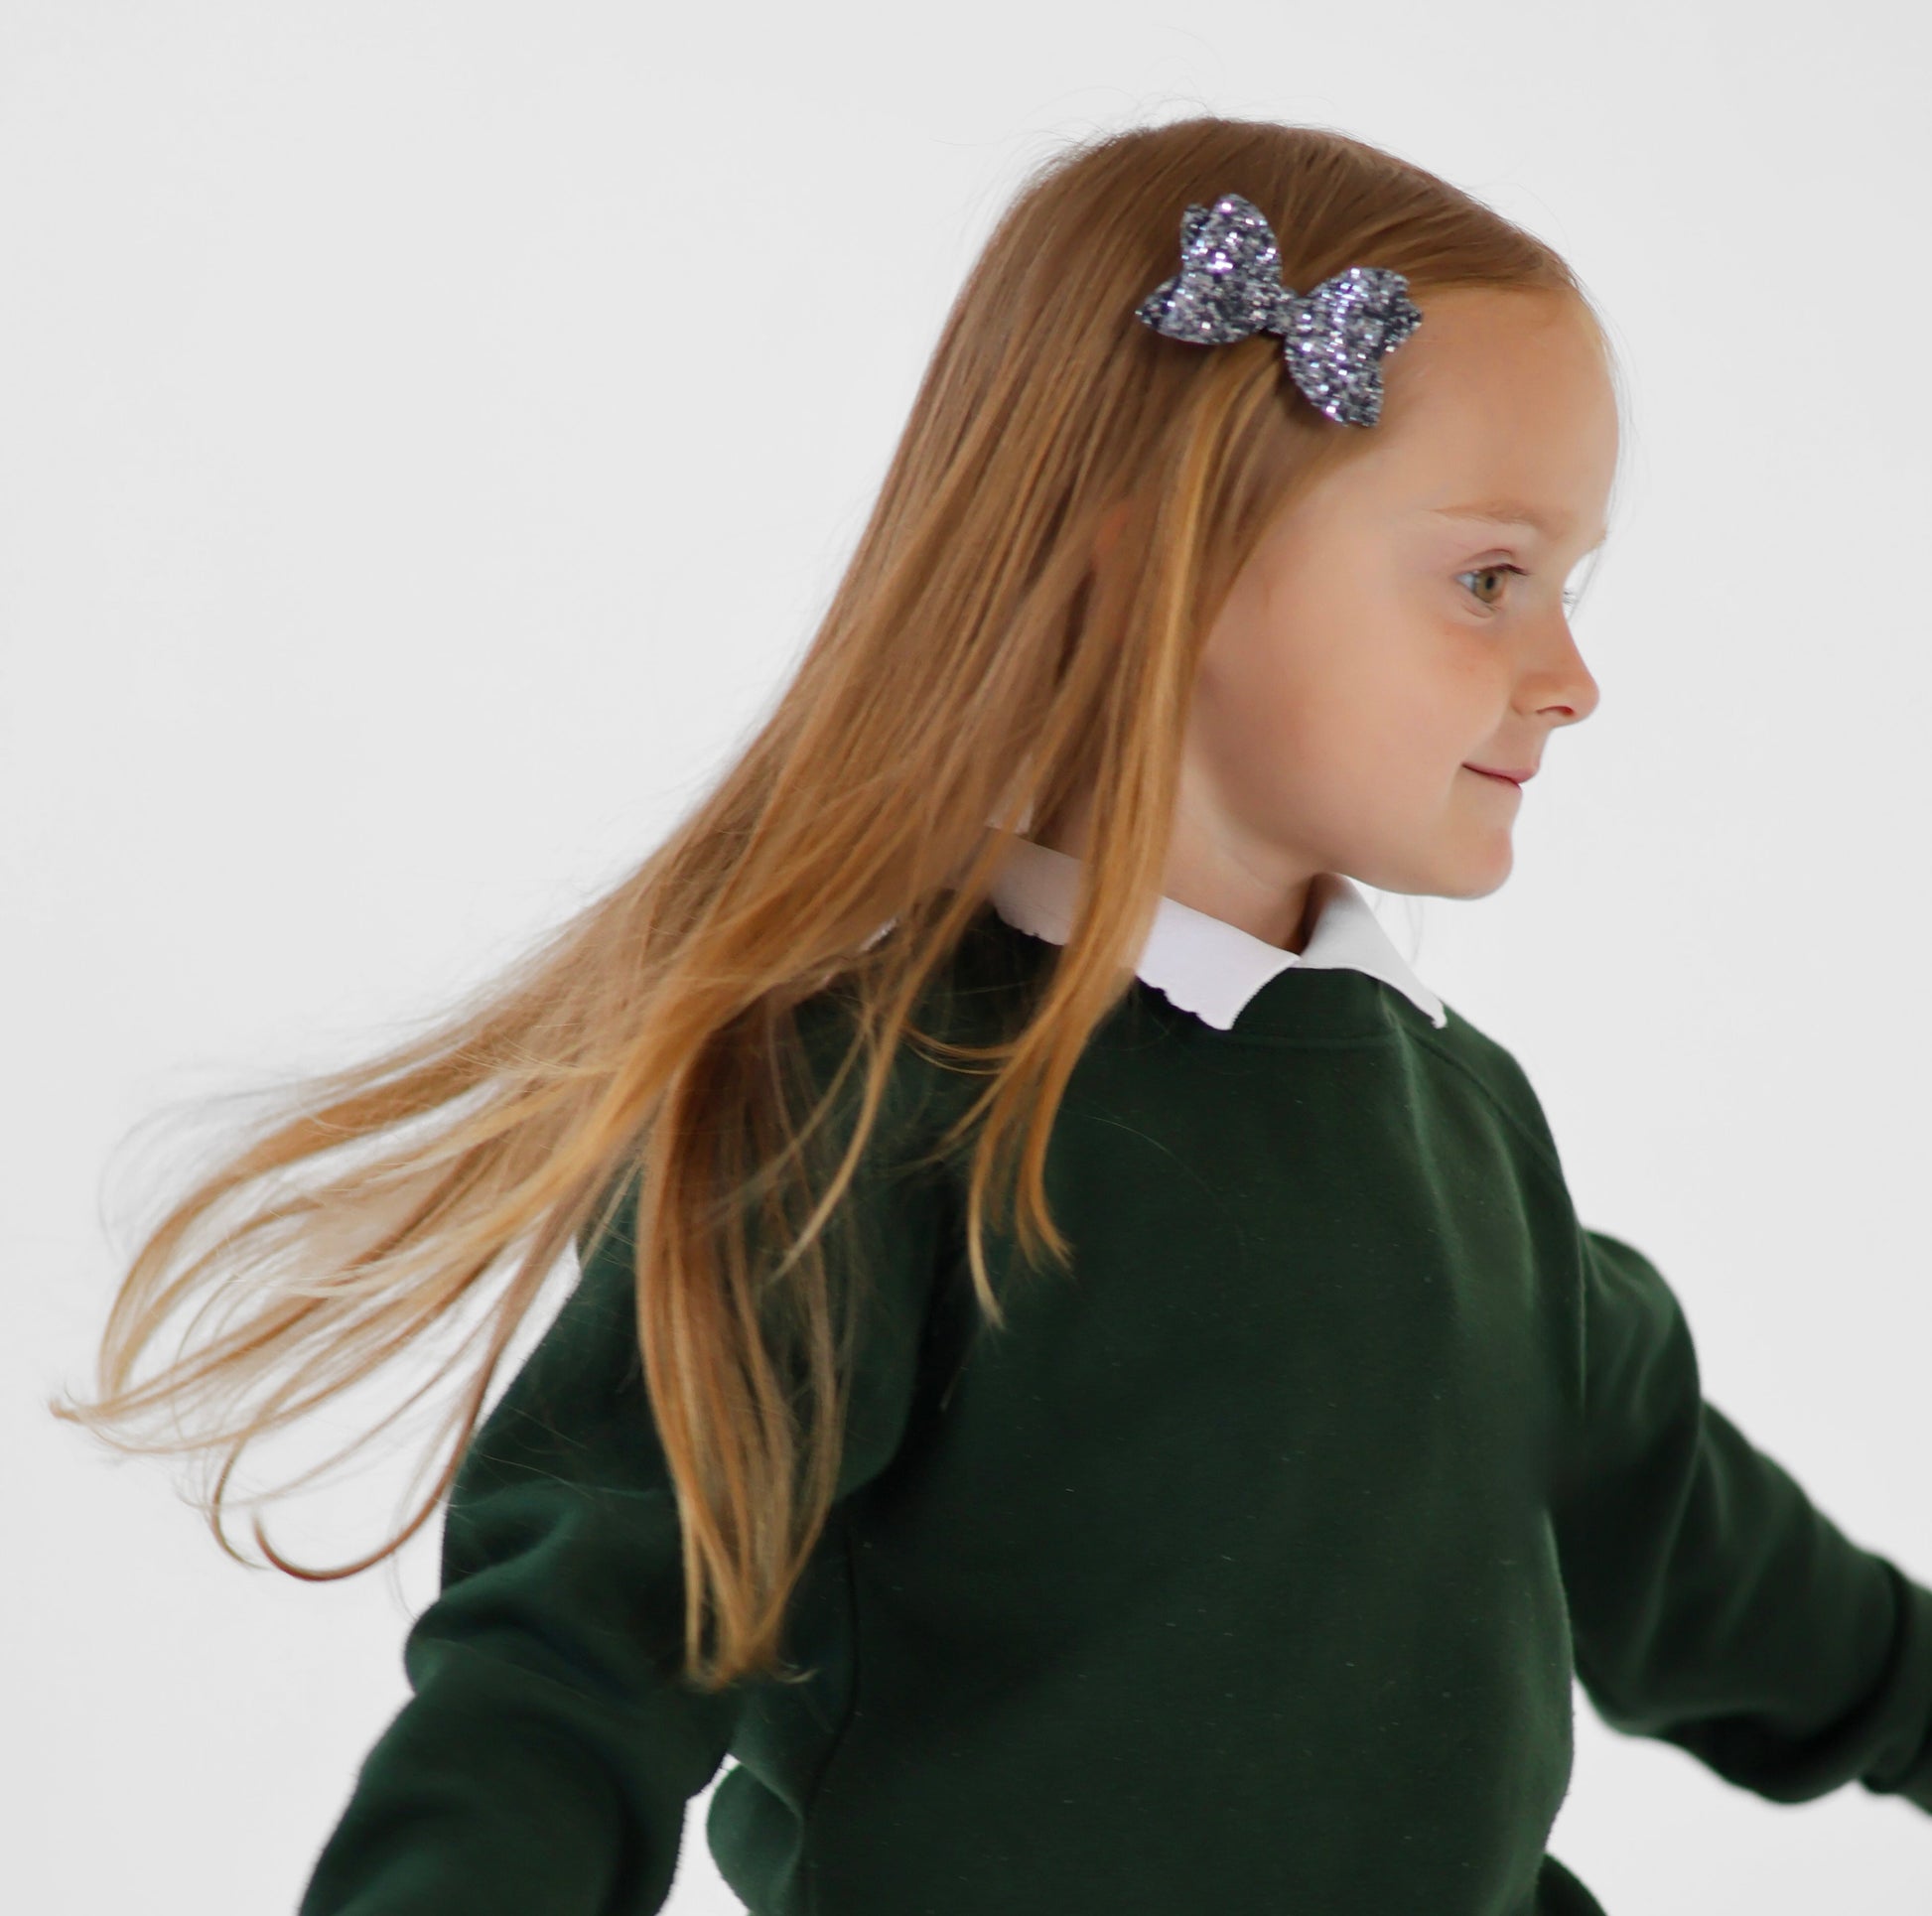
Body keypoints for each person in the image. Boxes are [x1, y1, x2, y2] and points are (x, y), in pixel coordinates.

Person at [51, 116, 1932, 1916]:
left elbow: (1696, 1552)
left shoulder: (1464, 1135)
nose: (1571, 675)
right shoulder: (863, 1100)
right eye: (1489, 578)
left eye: (1567, 587)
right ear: (1160, 567)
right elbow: (587, 1651)